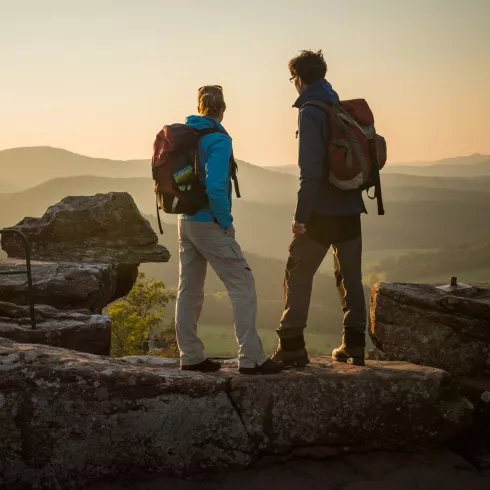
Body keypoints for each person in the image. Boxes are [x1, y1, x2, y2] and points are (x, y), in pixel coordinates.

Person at [176, 85, 284, 375]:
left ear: (200, 107)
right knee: (243, 286)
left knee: (189, 289)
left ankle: (191, 356)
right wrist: (224, 220)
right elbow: (215, 185)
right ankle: (251, 358)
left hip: (184, 220)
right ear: (223, 109)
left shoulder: (186, 135)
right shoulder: (218, 139)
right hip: (209, 222)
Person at [271, 51, 367, 367]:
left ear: (298, 79)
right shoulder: (337, 105)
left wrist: (300, 218)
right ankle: (354, 345)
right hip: (351, 207)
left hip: (322, 213)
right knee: (350, 278)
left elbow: (310, 172)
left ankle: (292, 345)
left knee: (297, 273)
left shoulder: (310, 112)